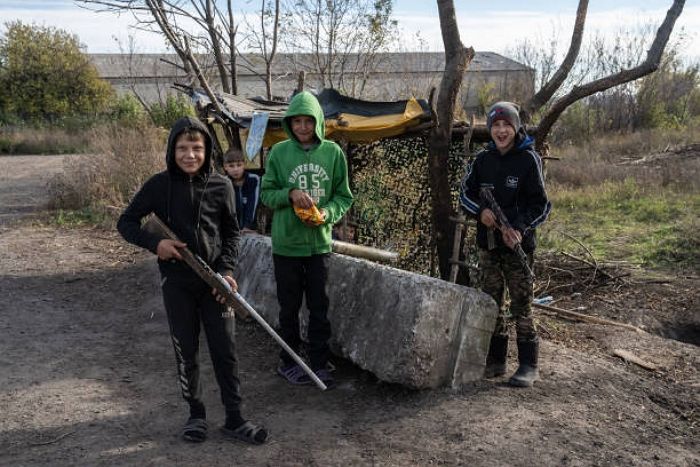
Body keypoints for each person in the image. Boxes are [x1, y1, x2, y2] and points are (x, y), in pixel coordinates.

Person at [117, 116, 267, 444]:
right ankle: (196, 415)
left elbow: (231, 234)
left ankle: (235, 418)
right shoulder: (158, 185)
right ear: (172, 150)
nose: (190, 155)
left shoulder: (221, 184)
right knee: (186, 350)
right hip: (177, 286)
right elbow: (126, 222)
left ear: (206, 150)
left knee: (225, 350)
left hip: (216, 287)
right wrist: (156, 244)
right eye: (182, 148)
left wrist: (227, 272)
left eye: (197, 148)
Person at [260, 91, 353, 389]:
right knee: (288, 307)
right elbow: (266, 193)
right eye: (296, 121)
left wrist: (327, 213)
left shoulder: (333, 154)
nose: (302, 127)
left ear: (318, 122)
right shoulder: (278, 153)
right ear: (289, 123)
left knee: (319, 307)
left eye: (307, 121)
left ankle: (318, 361)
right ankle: (289, 362)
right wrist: (289, 194)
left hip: (319, 245)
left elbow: (343, 196)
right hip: (287, 245)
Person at [459, 102, 551, 387]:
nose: (501, 131)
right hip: (488, 247)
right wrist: (480, 213)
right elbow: (465, 195)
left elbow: (542, 205)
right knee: (491, 302)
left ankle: (528, 365)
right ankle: (496, 360)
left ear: (516, 127)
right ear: (490, 129)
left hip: (517, 247)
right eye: (496, 125)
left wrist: (520, 229)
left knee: (521, 304)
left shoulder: (528, 159)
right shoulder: (482, 160)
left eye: (506, 125)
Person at [223, 148, 260, 234]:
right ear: (225, 167)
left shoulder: (253, 179)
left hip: (251, 229)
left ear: (244, 164)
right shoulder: (224, 182)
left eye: (239, 165)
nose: (235, 169)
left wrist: (247, 226)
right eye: (231, 166)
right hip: (231, 231)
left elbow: (253, 203)